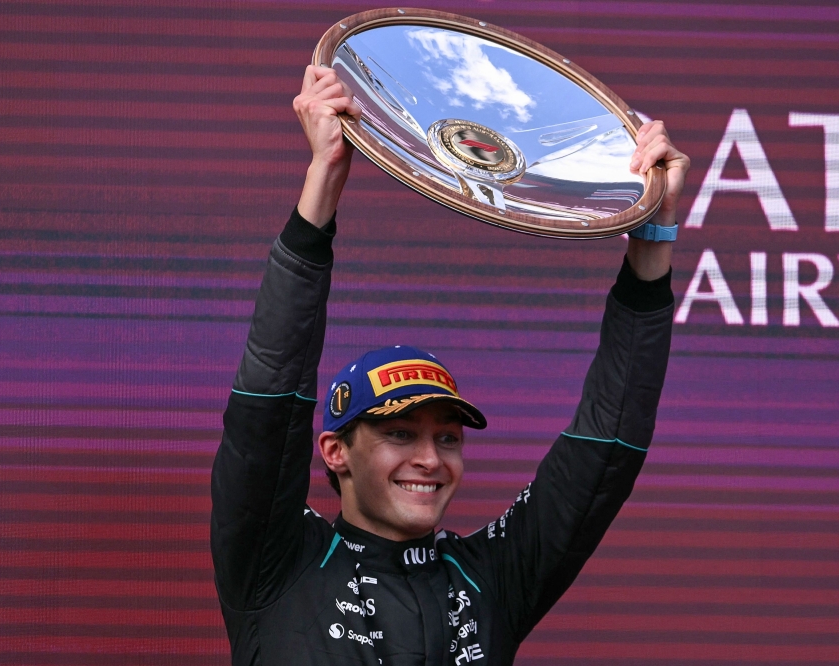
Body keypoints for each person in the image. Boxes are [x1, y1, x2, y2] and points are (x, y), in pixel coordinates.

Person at [210, 66, 690, 666]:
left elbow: (607, 448)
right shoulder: (275, 557)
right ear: (335, 451)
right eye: (399, 434)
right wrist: (324, 179)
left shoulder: (492, 577)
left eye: (448, 438)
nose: (431, 459)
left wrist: (654, 231)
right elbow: (271, 396)